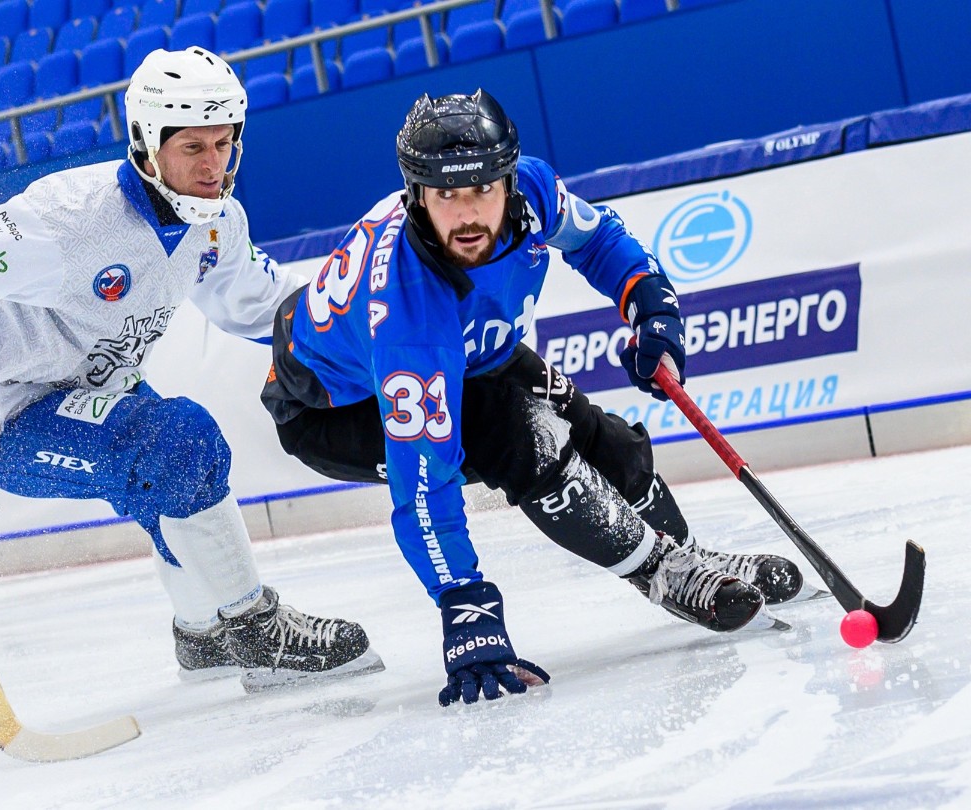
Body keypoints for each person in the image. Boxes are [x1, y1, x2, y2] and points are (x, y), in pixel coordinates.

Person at [0, 47, 383, 693]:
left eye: (224, 143)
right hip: (12, 422)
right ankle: (254, 628)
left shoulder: (216, 224)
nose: (214, 165)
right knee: (178, 441)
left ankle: (201, 635)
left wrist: (365, 326)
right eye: (193, 147)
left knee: (167, 470)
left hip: (102, 392)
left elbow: (262, 304)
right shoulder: (62, 222)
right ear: (145, 142)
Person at [261, 90, 804, 706]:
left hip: (473, 352)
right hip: (334, 408)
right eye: (446, 196)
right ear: (416, 195)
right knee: (519, 433)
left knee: (596, 430)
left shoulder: (534, 191)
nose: (468, 215)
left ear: (509, 182)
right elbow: (423, 487)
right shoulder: (408, 319)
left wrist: (652, 312)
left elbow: (599, 243)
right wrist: (467, 607)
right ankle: (662, 573)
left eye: (482, 191)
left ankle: (685, 553)